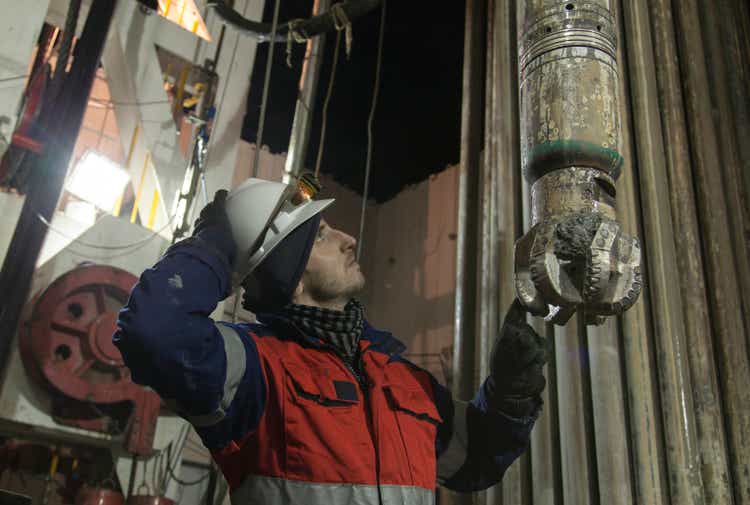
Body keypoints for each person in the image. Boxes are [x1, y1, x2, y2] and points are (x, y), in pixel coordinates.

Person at [113, 178, 549, 505]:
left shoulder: (399, 378)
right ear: (289, 273)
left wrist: (510, 391)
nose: (349, 239)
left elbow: (475, 459)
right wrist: (217, 246)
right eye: (321, 236)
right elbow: (154, 332)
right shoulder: (253, 369)